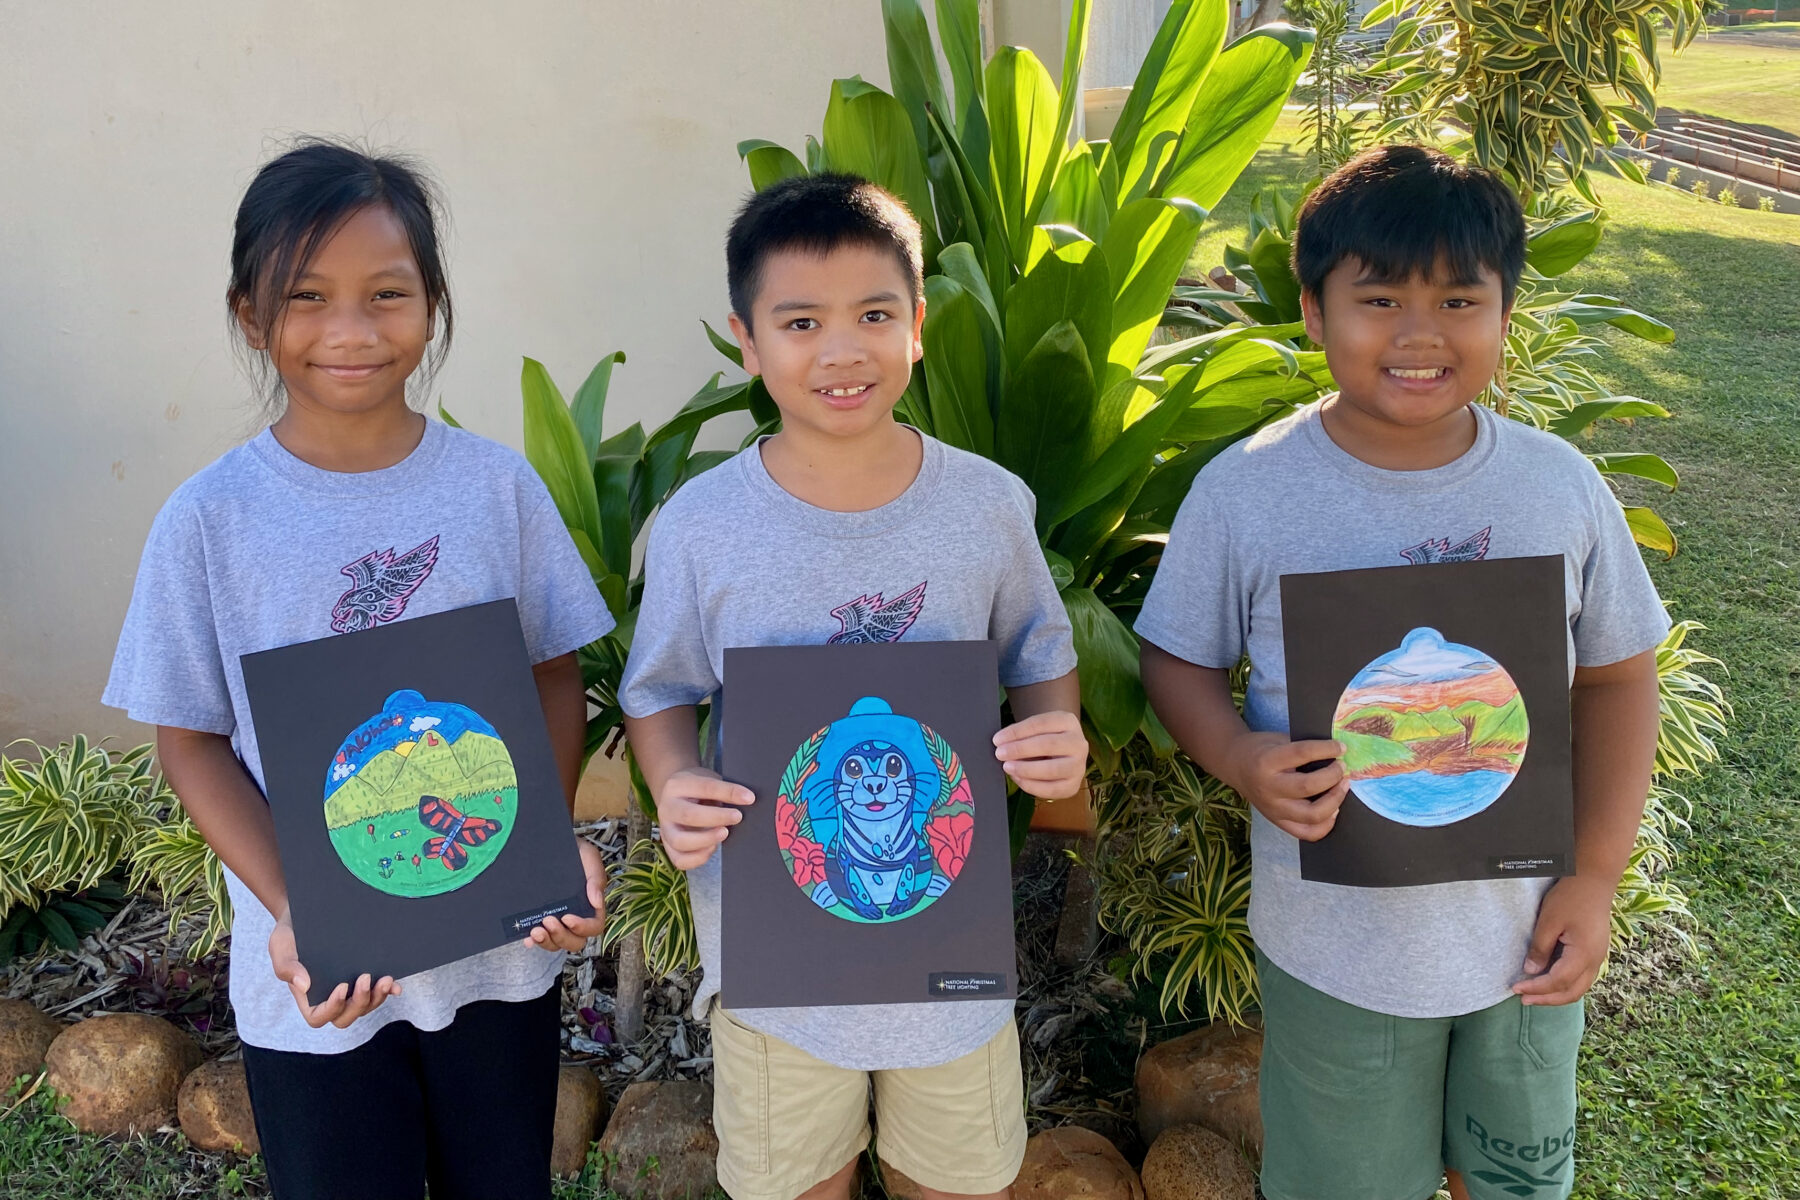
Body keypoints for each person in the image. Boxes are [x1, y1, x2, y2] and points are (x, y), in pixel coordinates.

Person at [1136, 144, 1668, 1200]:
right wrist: (1239, 755)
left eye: (1460, 301)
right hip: (1338, 952)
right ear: (1312, 310)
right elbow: (1176, 655)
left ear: (1506, 313)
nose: (1420, 335)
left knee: (1512, 1180)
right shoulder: (1248, 492)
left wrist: (1597, 879)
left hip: (1528, 942)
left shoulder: (1557, 488)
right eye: (1379, 300)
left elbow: (1617, 678)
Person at [103, 139, 612, 1200]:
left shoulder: (495, 489)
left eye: (387, 293)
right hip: (320, 984)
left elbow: (552, 673)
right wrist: (301, 909)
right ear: (251, 315)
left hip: (496, 962)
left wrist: (540, 844)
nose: (352, 329)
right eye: (307, 296)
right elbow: (189, 739)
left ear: (433, 304)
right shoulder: (210, 520)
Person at [620, 173, 1087, 1200]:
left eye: (874, 315)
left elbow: (1038, 654)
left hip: (948, 956)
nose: (841, 351)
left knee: (957, 1182)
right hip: (776, 968)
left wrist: (1055, 732)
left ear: (917, 325)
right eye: (801, 323)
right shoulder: (704, 525)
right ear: (748, 342)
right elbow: (658, 692)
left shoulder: (987, 506)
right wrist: (674, 781)